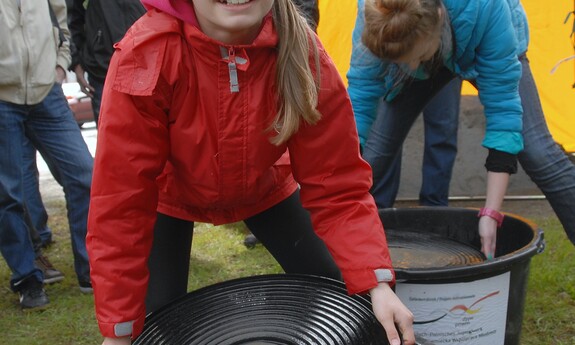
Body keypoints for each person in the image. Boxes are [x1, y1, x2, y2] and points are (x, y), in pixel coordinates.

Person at [86, 1, 415, 344]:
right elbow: (121, 204)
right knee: (156, 330)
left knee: (349, 295)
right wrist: (120, 331)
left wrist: (376, 283)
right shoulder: (147, 53)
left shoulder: (301, 50)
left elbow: (338, 184)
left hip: (266, 185)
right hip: (168, 196)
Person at [348, 0, 575, 259]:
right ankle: (328, 259)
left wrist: (491, 213)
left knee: (538, 153)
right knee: (373, 153)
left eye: (418, 58)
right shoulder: (377, 12)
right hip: (416, 38)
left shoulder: (487, 9)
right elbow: (361, 96)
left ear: (440, 18)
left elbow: (503, 110)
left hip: (484, 37)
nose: (410, 68)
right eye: (402, 61)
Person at [0, 0, 94, 310]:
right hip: (2, 97)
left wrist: (60, 64)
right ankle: (27, 276)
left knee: (85, 175)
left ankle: (90, 269)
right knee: (8, 194)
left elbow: (60, 20)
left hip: (46, 91)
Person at [376, 78, 462, 208]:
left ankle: (435, 208)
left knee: (444, 129)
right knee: (387, 131)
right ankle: (379, 207)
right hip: (396, 64)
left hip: (447, 61)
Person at [68, 0, 146, 126]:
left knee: (153, 137)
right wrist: (76, 62)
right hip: (103, 70)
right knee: (112, 140)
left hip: (148, 65)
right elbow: (72, 17)